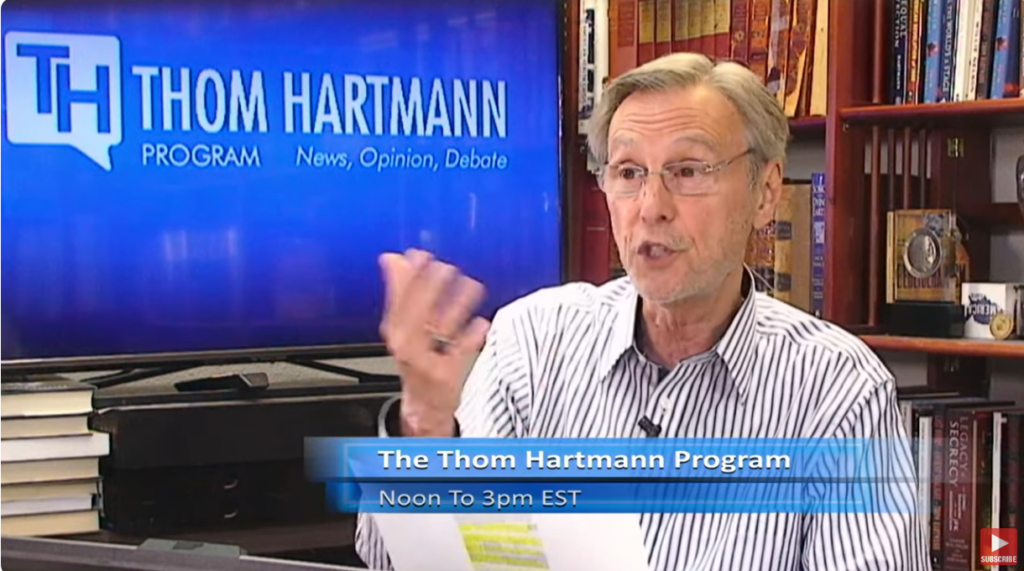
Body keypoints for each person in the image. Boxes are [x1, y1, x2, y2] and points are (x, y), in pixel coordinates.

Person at [356, 53, 929, 570]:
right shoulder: (532, 342)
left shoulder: (838, 390)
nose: (651, 207)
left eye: (688, 171)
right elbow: (395, 560)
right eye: (629, 173)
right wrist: (424, 428)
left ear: (765, 192)